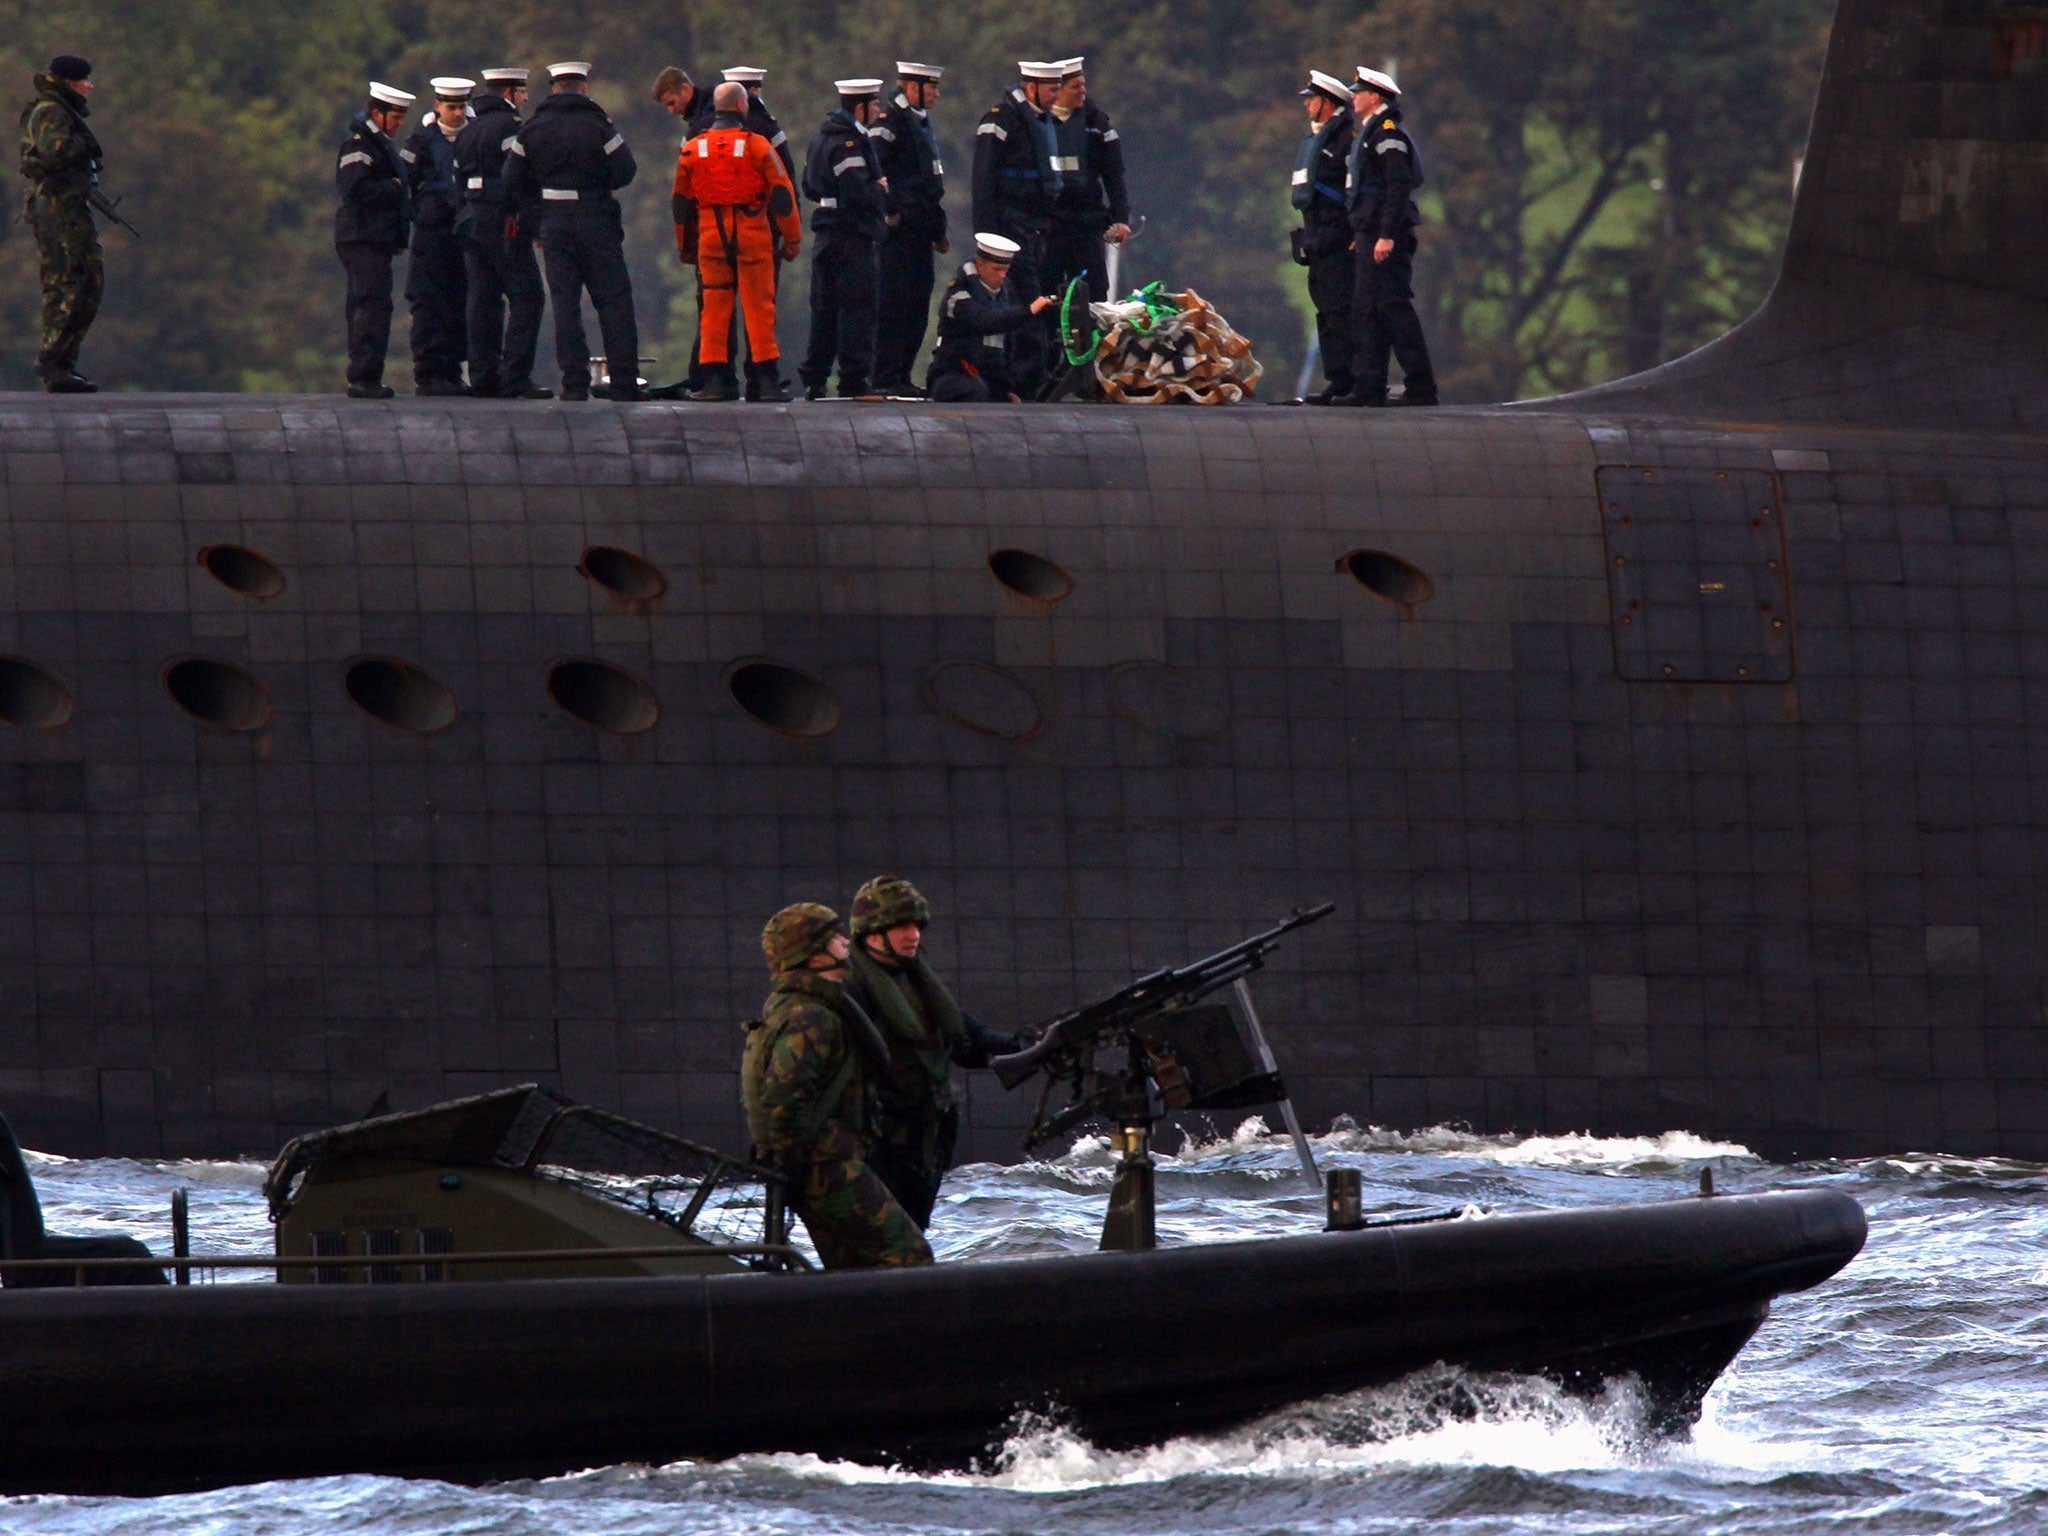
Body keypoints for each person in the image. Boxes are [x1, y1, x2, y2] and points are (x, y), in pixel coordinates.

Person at [743, 903, 933, 1270]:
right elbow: (784, 1102)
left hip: (817, 1167)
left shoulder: (799, 1006)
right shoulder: (811, 1016)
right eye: (835, 938)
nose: (846, 943)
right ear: (813, 954)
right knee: (909, 1256)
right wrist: (796, 1169)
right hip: (826, 1167)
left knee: (852, 1269)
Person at [840, 876, 1023, 1229]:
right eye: (902, 927)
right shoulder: (854, 990)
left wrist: (1019, 1045)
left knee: (911, 1240)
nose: (914, 936)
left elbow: (965, 1039)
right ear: (873, 933)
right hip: (879, 1148)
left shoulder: (915, 982)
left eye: (917, 926)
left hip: (921, 1146)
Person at [503, 61, 642, 402]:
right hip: (596, 220)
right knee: (613, 302)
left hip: (555, 225)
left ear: (553, 88)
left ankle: (574, 383)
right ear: (583, 88)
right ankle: (623, 381)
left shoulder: (533, 129)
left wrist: (535, 216)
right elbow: (626, 170)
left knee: (566, 305)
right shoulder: (599, 126)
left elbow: (511, 178)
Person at [671, 81, 802, 401]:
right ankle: (765, 382)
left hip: (711, 236)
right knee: (758, 307)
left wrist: (685, 246)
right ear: (742, 107)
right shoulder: (757, 146)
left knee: (714, 308)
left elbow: (680, 203)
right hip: (752, 232)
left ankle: (717, 381)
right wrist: (793, 239)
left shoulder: (693, 148)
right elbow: (782, 195)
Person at [1333, 68, 1437, 407]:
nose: (1354, 97)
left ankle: (1421, 387)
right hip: (1368, 234)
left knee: (1394, 308)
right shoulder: (1370, 132)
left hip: (1383, 236)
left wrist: (1387, 235)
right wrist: (1360, 232)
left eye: (1359, 92)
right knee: (1368, 310)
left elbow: (1398, 186)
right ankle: (1369, 386)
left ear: (1375, 97)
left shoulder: (1387, 133)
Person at [970, 60, 1065, 397]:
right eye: (1052, 89)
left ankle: (1030, 379)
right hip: (1009, 232)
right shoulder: (1000, 121)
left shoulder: (1041, 122)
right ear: (1031, 87)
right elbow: (982, 182)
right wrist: (987, 239)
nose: (1057, 96)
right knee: (1024, 305)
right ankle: (1019, 383)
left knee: (1038, 303)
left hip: (1035, 230)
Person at [455, 67, 549, 399]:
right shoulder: (511, 128)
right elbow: (518, 175)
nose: (525, 99)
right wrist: (530, 219)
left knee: (483, 297)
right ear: (509, 93)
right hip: (503, 219)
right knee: (528, 296)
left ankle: (482, 375)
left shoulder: (468, 129)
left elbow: (458, 178)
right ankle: (514, 377)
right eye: (522, 93)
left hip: (470, 218)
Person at [19, 54, 106, 394]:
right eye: (84, 79)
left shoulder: (57, 111)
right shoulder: (52, 112)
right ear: (69, 82)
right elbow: (55, 155)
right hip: (59, 207)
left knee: (82, 281)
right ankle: (54, 360)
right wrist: (81, 145)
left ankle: (62, 362)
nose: (89, 85)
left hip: (66, 205)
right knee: (75, 280)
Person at [798, 78, 889, 401]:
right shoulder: (849, 143)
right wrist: (880, 187)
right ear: (860, 108)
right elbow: (859, 194)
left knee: (824, 308)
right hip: (851, 235)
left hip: (825, 233)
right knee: (856, 308)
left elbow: (809, 187)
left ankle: (815, 378)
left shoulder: (822, 138)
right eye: (875, 105)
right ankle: (853, 379)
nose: (879, 111)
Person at [869, 62, 948, 396]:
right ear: (912, 87)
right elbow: (876, 173)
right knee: (894, 304)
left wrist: (938, 230)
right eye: (931, 89)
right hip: (899, 233)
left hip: (921, 231)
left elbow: (931, 184)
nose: (937, 94)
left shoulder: (920, 123)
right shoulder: (890, 123)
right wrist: (890, 213)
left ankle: (902, 374)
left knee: (917, 306)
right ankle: (885, 375)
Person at [334, 81, 416, 399]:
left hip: (373, 238)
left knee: (372, 303)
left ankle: (367, 373)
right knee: (370, 304)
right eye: (395, 119)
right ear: (377, 113)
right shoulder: (359, 146)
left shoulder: (378, 145)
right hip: (361, 238)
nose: (398, 125)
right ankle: (364, 375)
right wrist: (393, 188)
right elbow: (354, 190)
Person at [1040, 58, 1131, 311]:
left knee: (1095, 298)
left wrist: (1120, 218)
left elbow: (1114, 175)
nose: (1083, 91)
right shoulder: (1036, 123)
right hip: (1049, 228)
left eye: (1083, 85)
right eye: (1076, 87)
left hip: (1087, 227)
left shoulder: (1096, 124)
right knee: (1044, 296)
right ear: (1058, 90)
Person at [404, 77, 474, 396]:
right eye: (451, 107)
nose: (457, 114)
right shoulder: (421, 142)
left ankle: (453, 370)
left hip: (464, 234)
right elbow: (405, 186)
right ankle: (430, 372)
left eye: (461, 107)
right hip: (432, 235)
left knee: (460, 301)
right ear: (438, 107)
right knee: (430, 303)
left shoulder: (475, 138)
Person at [1291, 70, 1357, 405]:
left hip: (1337, 238)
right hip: (1317, 238)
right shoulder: (1320, 140)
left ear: (1327, 103)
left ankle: (1353, 379)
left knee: (1341, 309)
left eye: (1311, 100)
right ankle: (1338, 379)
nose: (1307, 105)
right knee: (1326, 311)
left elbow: (1354, 191)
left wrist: (1353, 232)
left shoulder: (1347, 140)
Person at [925, 233, 1055, 403]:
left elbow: (1005, 347)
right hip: (952, 374)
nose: (1002, 276)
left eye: (1005, 271)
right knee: (974, 392)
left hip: (990, 378)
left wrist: (1006, 389)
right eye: (996, 270)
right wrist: (1028, 311)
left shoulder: (1006, 294)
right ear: (980, 265)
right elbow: (986, 321)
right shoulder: (959, 296)